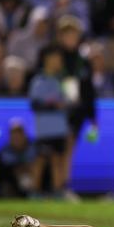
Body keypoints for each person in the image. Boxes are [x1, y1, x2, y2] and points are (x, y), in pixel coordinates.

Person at [55, 15, 98, 201]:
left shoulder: (83, 61)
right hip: (57, 110)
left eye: (74, 35)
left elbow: (89, 90)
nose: (71, 39)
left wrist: (93, 116)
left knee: (69, 147)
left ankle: (63, 185)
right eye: (67, 35)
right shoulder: (55, 57)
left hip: (77, 111)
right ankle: (58, 185)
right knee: (57, 149)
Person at [27, 45, 68, 197]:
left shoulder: (63, 80)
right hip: (44, 127)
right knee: (40, 159)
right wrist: (52, 105)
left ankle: (58, 191)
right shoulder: (38, 80)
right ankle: (34, 191)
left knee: (58, 159)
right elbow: (34, 104)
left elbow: (71, 99)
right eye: (55, 58)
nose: (58, 61)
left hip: (60, 126)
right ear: (46, 59)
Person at [0, 119, 40, 197]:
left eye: (19, 133)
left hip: (31, 180)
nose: (17, 136)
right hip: (11, 183)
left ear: (24, 134)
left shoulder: (34, 148)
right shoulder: (4, 151)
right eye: (14, 133)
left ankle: (37, 194)